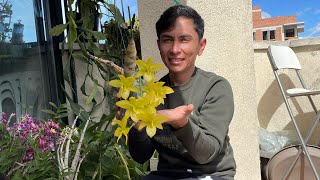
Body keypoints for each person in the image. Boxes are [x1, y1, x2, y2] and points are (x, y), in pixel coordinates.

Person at [128, 4, 236, 180]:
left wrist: (181, 123)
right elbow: (141, 156)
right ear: (159, 45)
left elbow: (206, 154)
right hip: (167, 174)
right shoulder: (151, 92)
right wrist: (137, 124)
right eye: (167, 39)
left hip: (211, 174)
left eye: (184, 39)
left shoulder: (216, 87)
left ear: (201, 46)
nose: (175, 49)